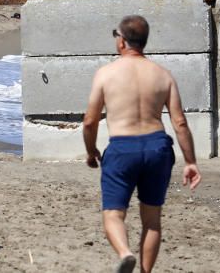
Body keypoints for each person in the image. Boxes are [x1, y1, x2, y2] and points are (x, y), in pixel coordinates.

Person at [83, 15, 202, 273]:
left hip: (122, 147)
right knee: (152, 220)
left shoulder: (106, 74)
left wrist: (91, 150)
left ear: (122, 42)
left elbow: (90, 121)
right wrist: (191, 161)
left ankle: (125, 253)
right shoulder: (163, 75)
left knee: (114, 214)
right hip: (157, 147)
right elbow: (179, 122)